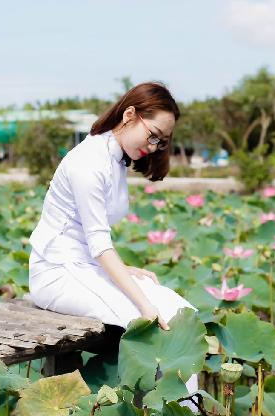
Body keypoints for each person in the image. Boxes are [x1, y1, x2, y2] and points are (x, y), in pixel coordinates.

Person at [27, 82, 199, 398]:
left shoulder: (114, 158)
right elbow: (97, 243)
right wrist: (144, 303)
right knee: (148, 322)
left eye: (161, 141)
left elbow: (92, 243)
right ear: (130, 114)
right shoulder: (89, 162)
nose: (154, 145)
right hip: (56, 273)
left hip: (85, 268)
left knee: (180, 310)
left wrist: (128, 271)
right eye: (153, 134)